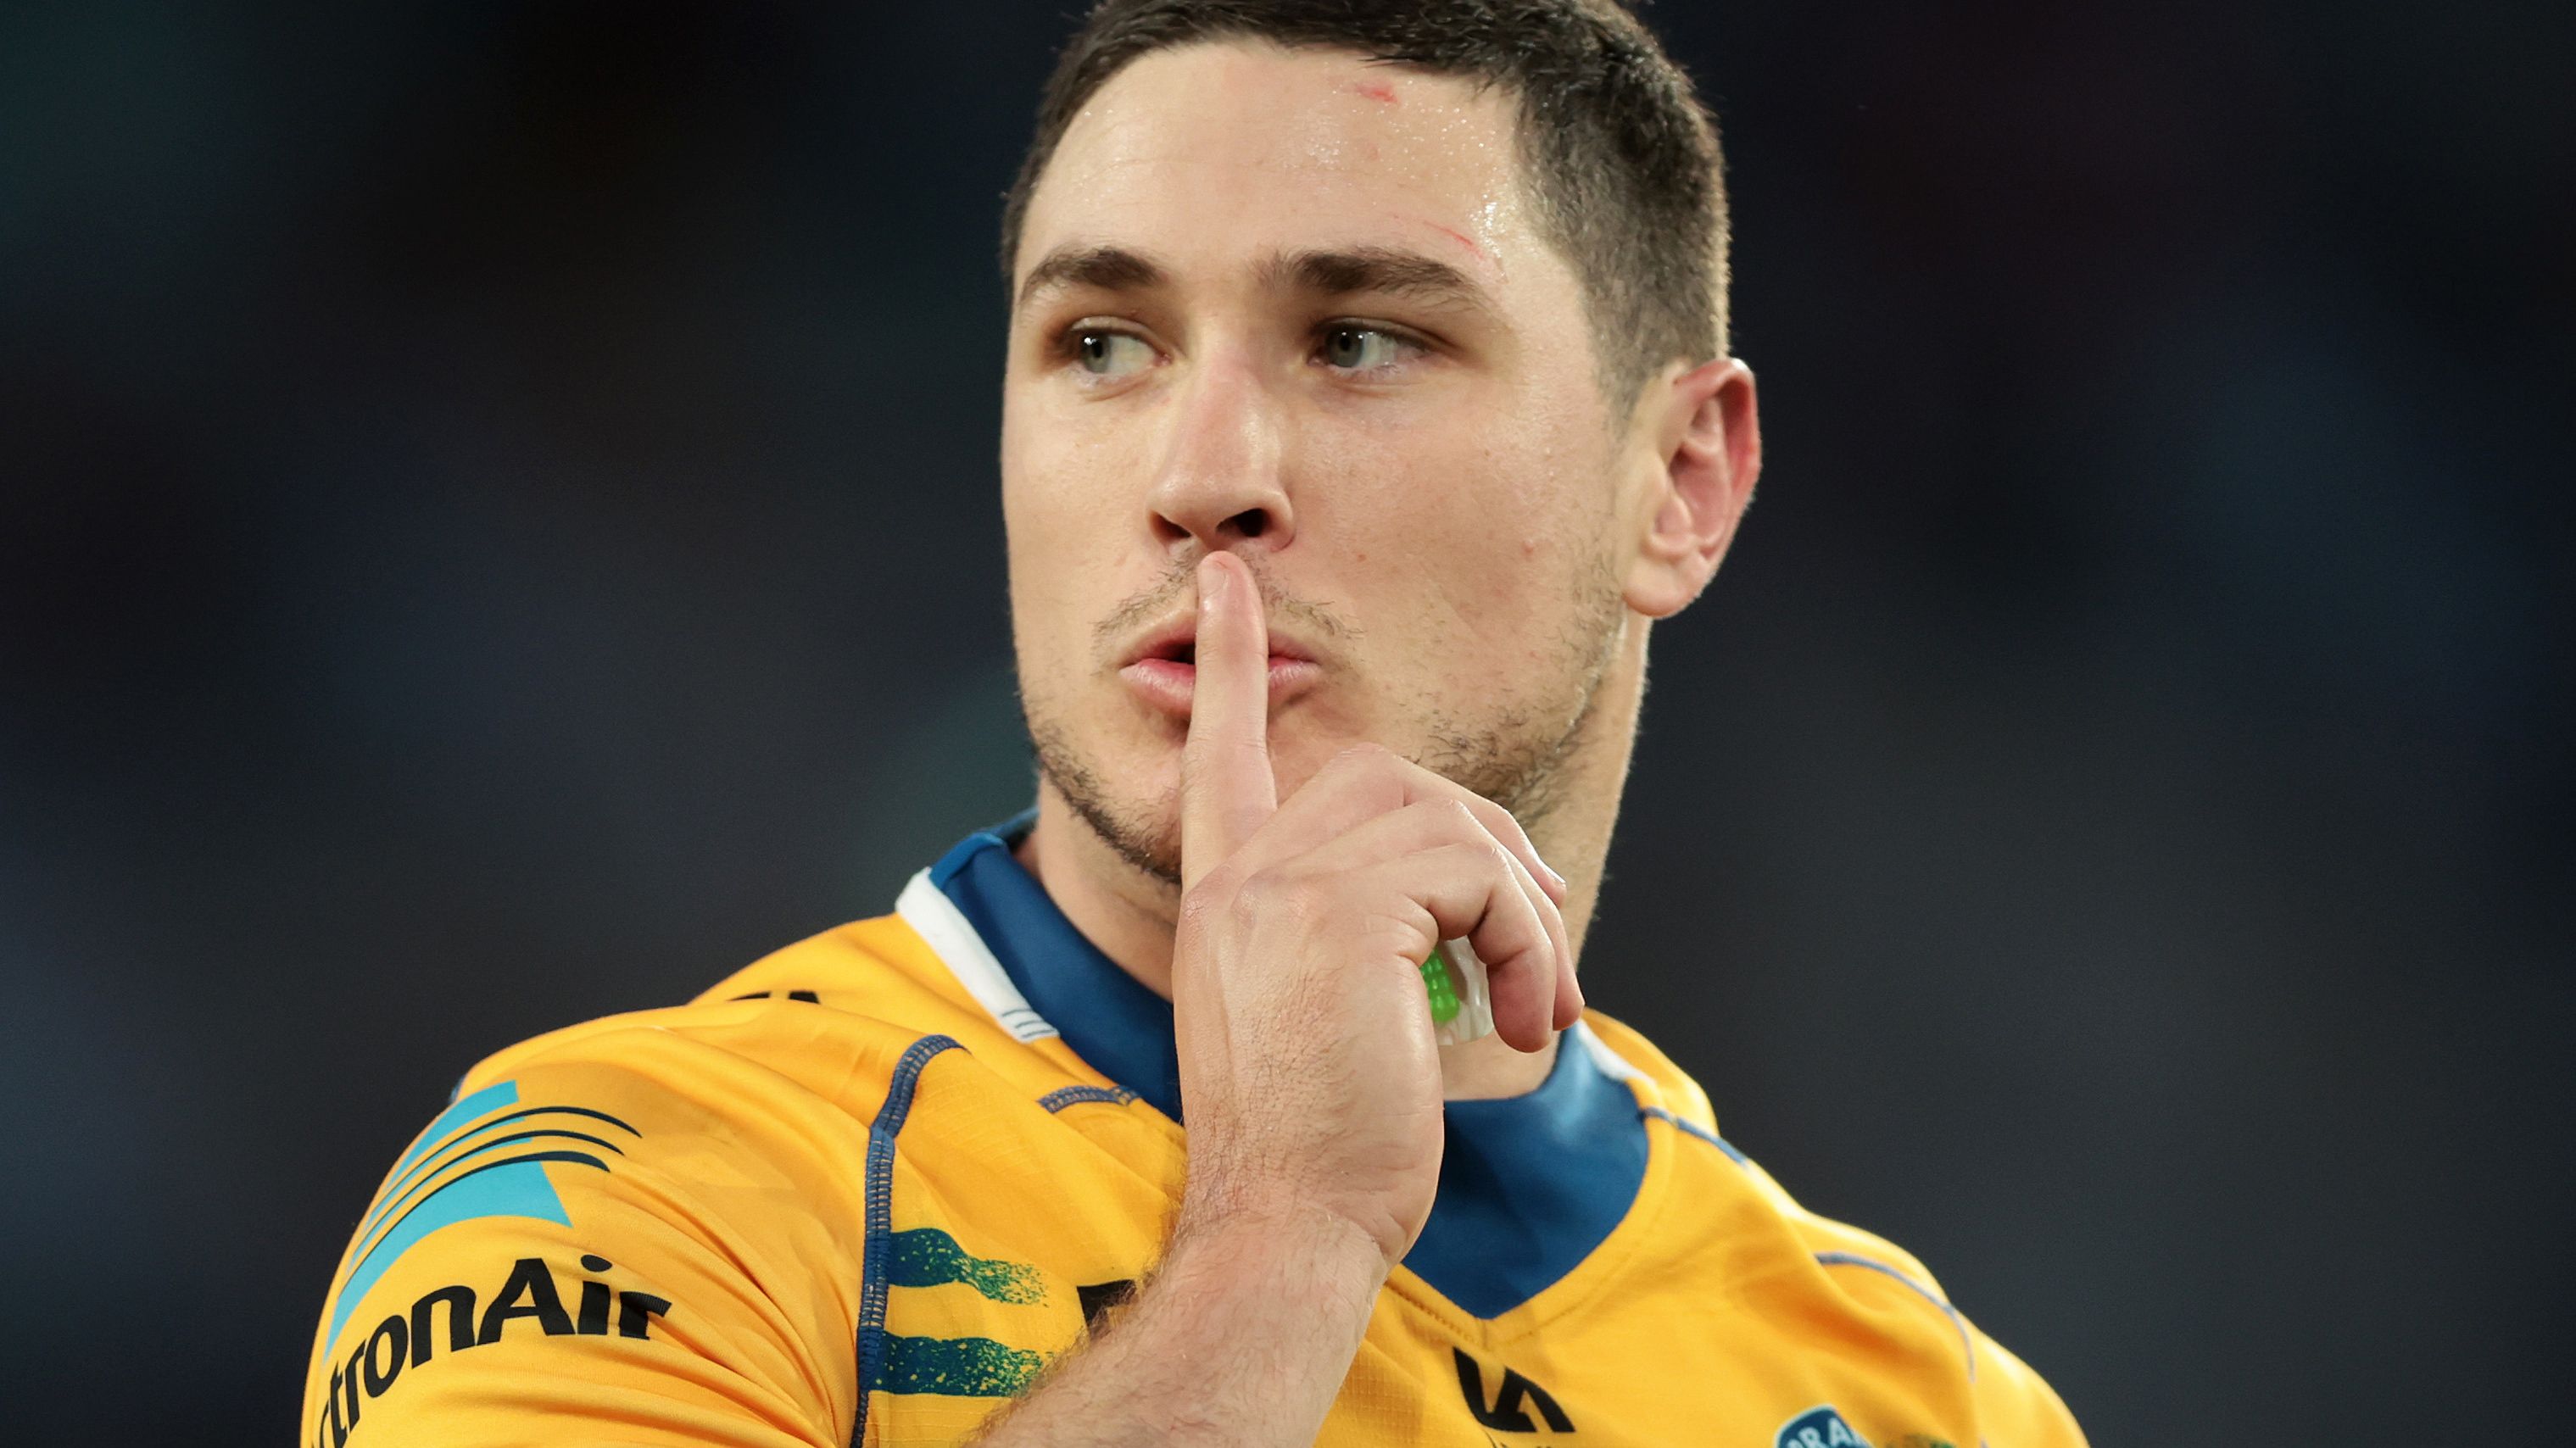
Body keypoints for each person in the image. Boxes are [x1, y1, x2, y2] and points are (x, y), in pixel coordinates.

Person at [303, 3, 2088, 1444]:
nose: (1203, 474)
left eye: (1362, 339)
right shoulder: (618, 1192)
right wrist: (1277, 1234)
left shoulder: (1931, 1406)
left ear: (1678, 480)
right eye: (1100, 342)